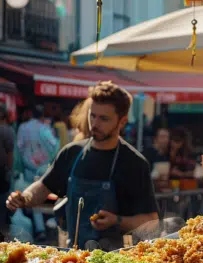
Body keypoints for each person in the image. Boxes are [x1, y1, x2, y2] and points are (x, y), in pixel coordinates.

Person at [6, 81, 159, 250]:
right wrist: (24, 197)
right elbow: (43, 187)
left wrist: (117, 221)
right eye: (92, 115)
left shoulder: (134, 164)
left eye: (103, 118)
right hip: (73, 254)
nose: (95, 123)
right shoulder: (71, 153)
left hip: (115, 260)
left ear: (122, 122)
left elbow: (151, 221)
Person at [14, 105, 59, 241]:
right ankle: (44, 226)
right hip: (44, 169)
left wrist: (21, 167)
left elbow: (19, 149)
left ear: (30, 114)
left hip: (28, 169)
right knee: (41, 196)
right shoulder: (45, 128)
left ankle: (39, 228)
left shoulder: (23, 128)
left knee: (31, 195)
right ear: (42, 116)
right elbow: (54, 147)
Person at [0, 104, 14, 240]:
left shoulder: (6, 130)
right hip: (2, 173)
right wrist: (9, 171)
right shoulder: (7, 130)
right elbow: (10, 154)